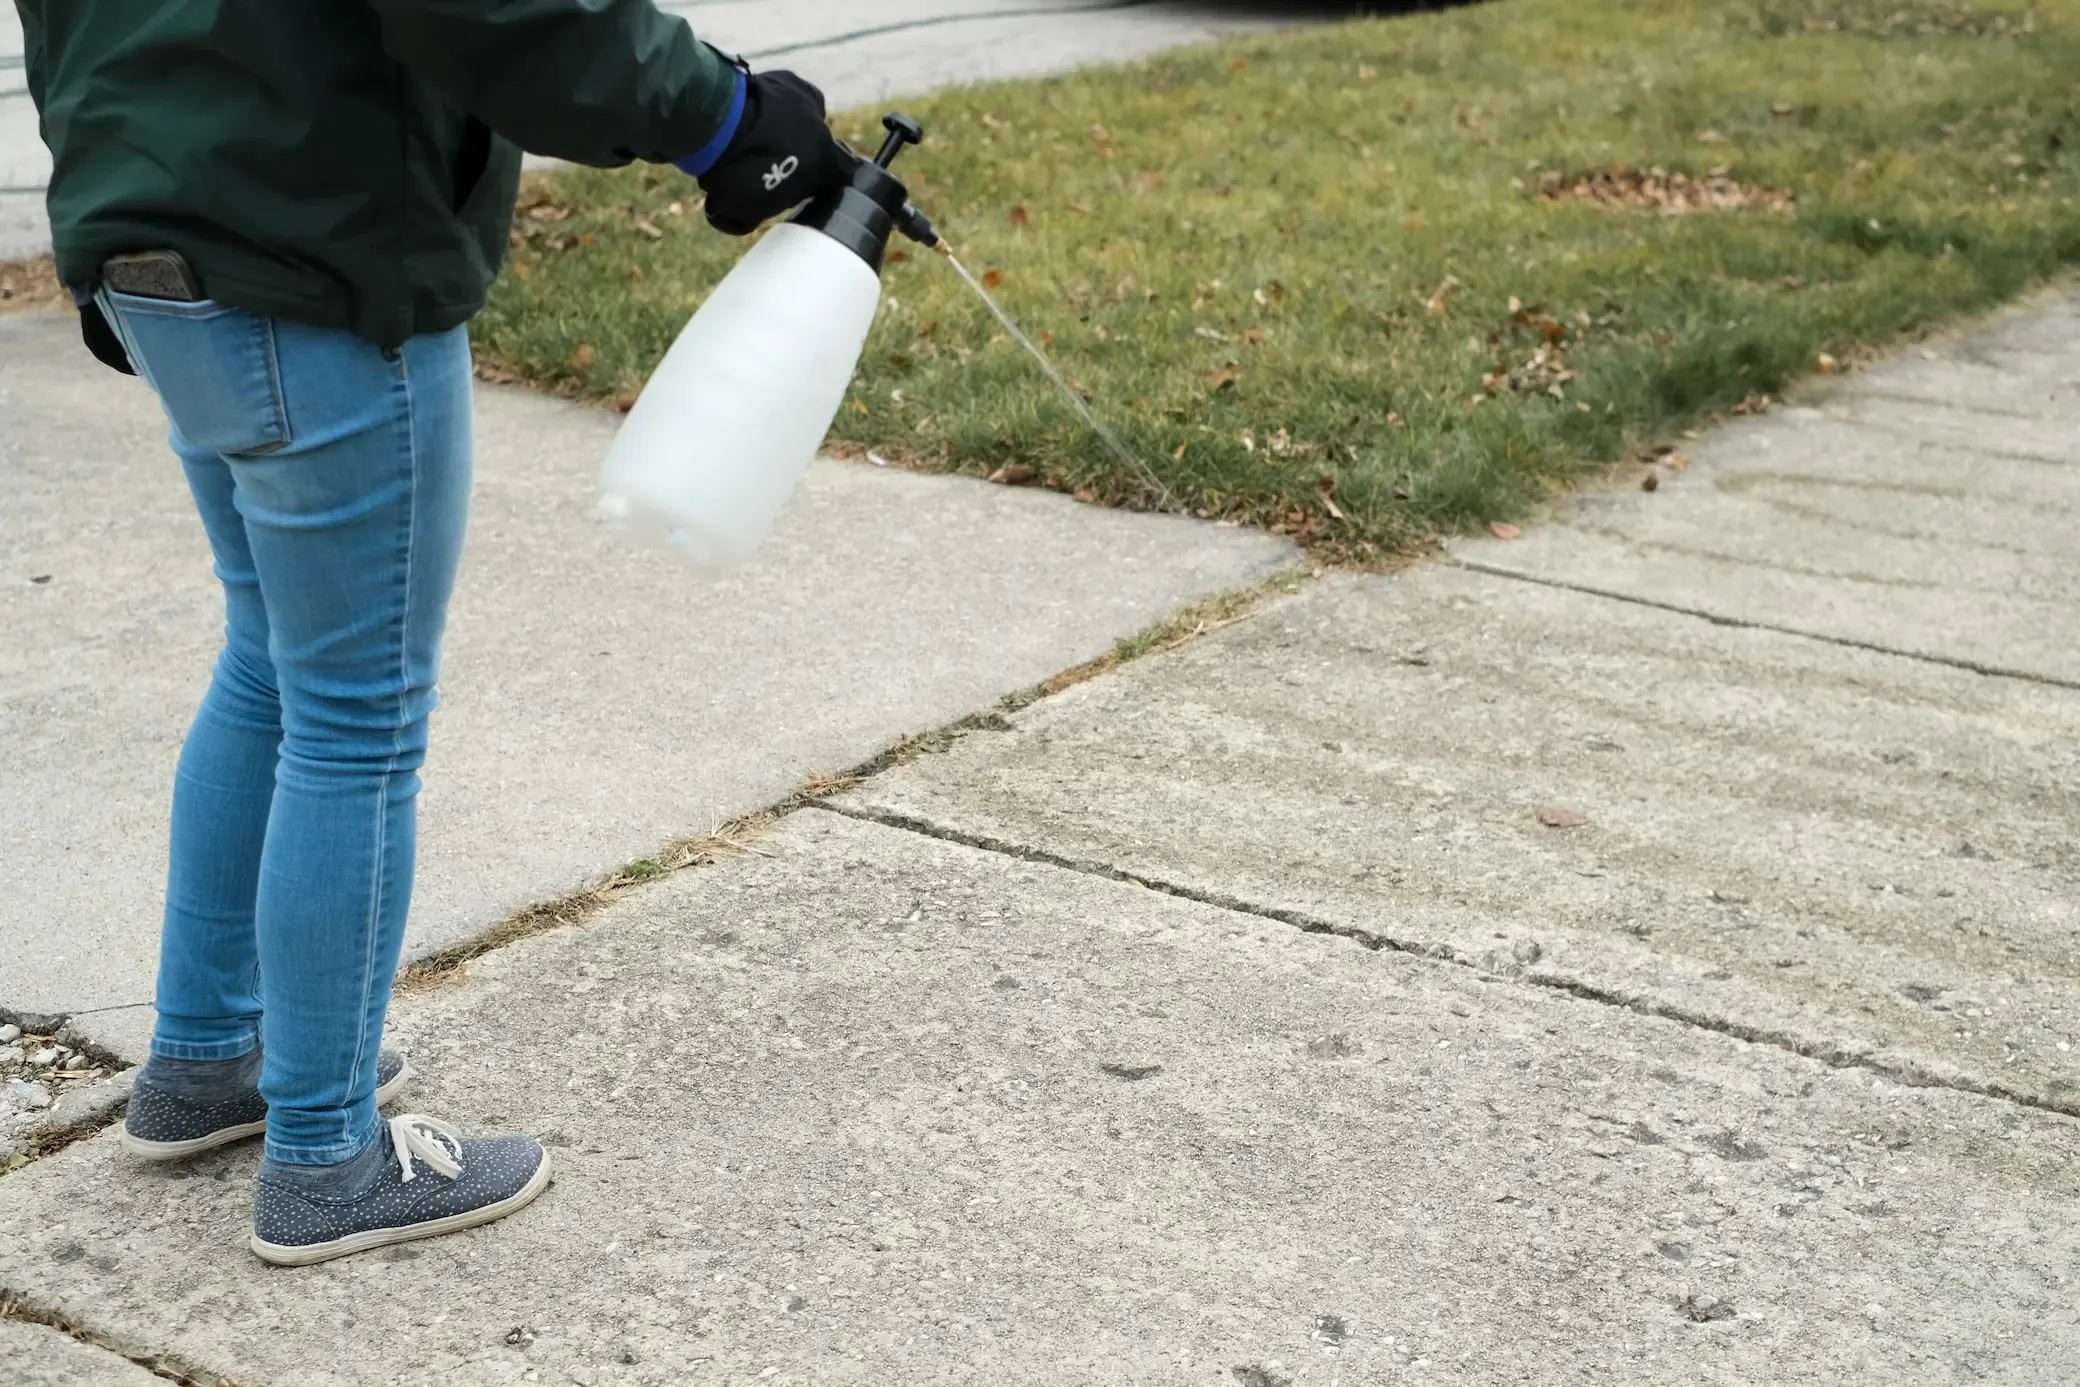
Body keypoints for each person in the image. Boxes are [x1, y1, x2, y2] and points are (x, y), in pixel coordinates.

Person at [15, 0, 854, 1265]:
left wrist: (122, 205)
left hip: (161, 237)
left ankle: (206, 1062)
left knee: (271, 659)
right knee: (355, 715)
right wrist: (726, 116)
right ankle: (324, 1158)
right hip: (319, 252)